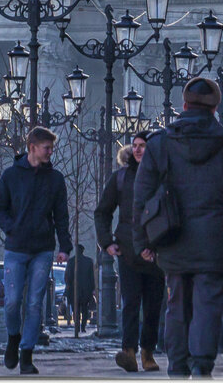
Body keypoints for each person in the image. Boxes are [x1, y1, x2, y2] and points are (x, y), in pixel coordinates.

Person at [134, 76, 223, 378]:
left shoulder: (159, 144)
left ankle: (177, 366)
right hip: (214, 244)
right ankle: (202, 365)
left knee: (176, 304)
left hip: (172, 239)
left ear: (184, 105)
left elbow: (141, 196)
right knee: (208, 306)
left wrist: (143, 242)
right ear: (215, 109)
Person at [0, 125, 71, 375]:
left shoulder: (55, 179)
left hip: (42, 249)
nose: (50, 153)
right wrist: (11, 227)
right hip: (15, 248)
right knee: (12, 302)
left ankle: (27, 354)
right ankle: (13, 339)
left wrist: (64, 247)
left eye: (51, 148)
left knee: (35, 302)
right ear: (32, 147)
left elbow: (61, 216)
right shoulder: (11, 176)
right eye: (47, 148)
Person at [95, 133, 164, 372]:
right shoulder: (121, 178)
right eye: (134, 146)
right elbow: (102, 211)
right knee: (131, 303)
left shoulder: (162, 177)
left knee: (154, 305)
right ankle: (130, 352)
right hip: (127, 251)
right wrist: (106, 242)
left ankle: (148, 353)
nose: (137, 150)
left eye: (142, 146)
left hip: (156, 251)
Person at [63, 244, 95, 333]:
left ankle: (77, 325)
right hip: (85, 290)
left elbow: (67, 277)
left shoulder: (71, 261)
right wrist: (92, 289)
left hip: (74, 289)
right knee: (84, 309)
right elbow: (92, 277)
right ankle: (82, 326)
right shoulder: (88, 261)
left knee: (75, 309)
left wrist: (68, 286)